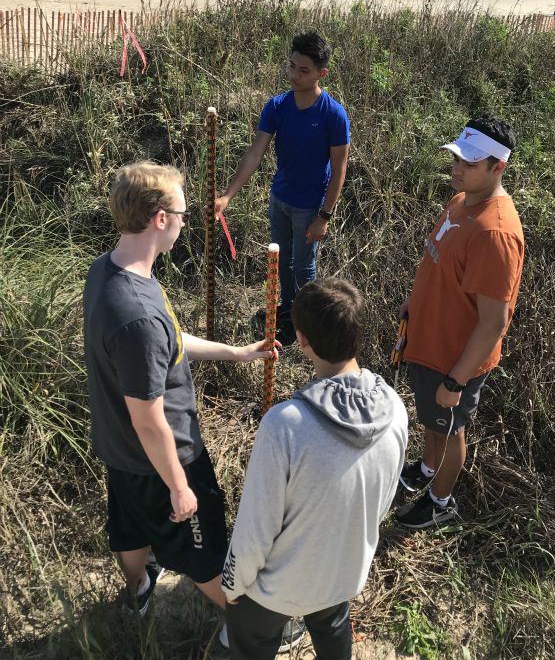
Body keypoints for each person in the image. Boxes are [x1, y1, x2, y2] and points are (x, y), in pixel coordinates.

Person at [83, 161, 276, 636]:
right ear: (159, 218)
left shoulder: (107, 272)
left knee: (128, 529)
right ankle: (243, 622)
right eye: (184, 213)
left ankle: (139, 592)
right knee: (203, 548)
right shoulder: (139, 316)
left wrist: (234, 353)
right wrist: (179, 486)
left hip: (119, 451)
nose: (188, 221)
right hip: (163, 460)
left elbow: (165, 338)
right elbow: (150, 422)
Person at [221, 278, 408, 660]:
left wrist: (232, 586)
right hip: (343, 576)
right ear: (357, 333)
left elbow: (255, 531)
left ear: (302, 340)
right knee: (332, 624)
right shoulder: (396, 410)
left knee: (248, 641)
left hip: (275, 590)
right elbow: (383, 497)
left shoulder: (284, 426)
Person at [395, 116, 524, 529]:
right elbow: (437, 266)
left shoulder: (495, 232)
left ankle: (440, 500)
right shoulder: (461, 201)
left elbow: (493, 322)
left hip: (454, 358)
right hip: (428, 341)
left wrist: (455, 381)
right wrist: (411, 305)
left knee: (451, 429)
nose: (457, 168)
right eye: (456, 158)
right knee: (434, 422)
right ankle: (429, 467)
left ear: (497, 167)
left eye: (469, 162)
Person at [214, 31, 351, 344]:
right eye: (291, 66)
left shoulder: (333, 115)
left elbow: (340, 169)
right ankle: (288, 313)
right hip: (280, 200)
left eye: (304, 70)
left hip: (309, 208)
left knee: (304, 267)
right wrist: (227, 196)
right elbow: (255, 152)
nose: (294, 75)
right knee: (282, 262)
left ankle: (308, 325)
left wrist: (324, 216)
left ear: (321, 74)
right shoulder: (277, 106)